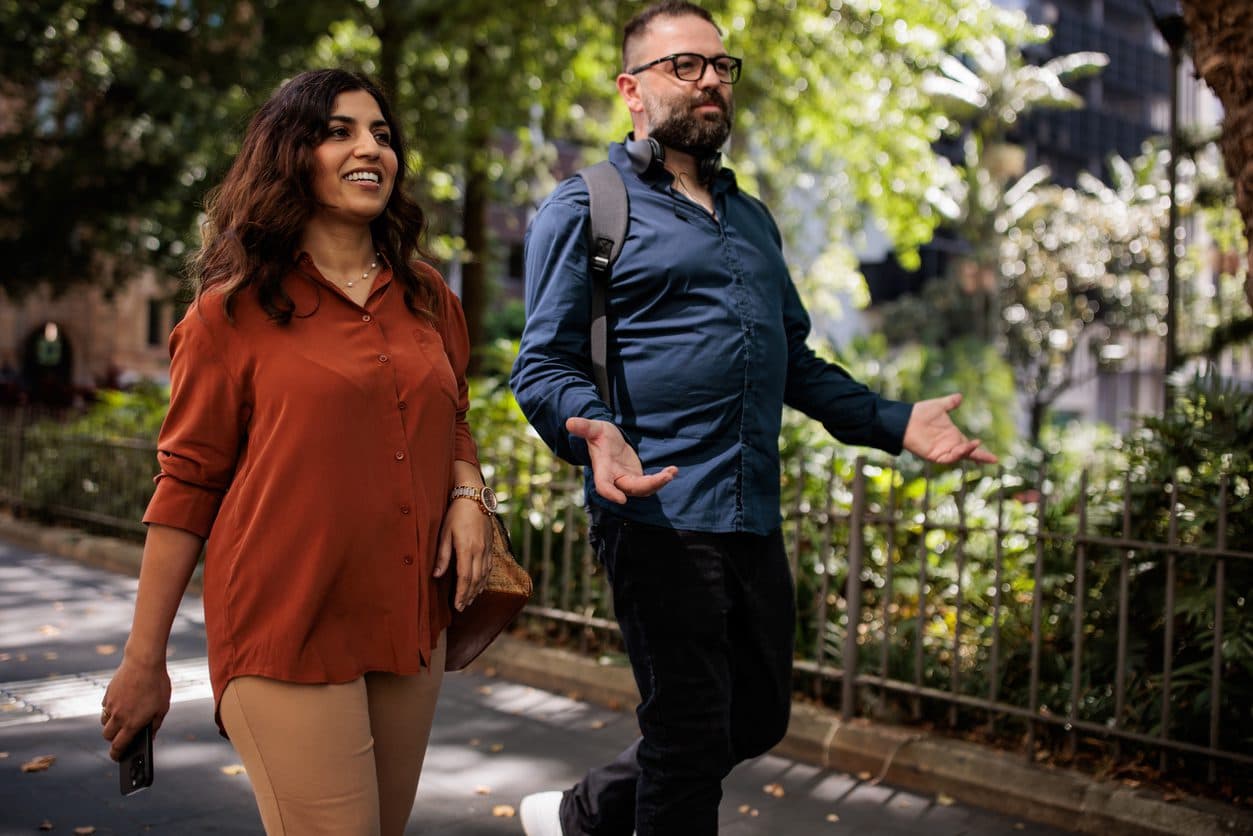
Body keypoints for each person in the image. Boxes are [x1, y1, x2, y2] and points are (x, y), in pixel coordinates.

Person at [509, 3, 998, 835]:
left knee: (758, 714)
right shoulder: (587, 204)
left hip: (748, 508)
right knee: (690, 730)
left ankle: (583, 815)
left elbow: (794, 364)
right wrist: (589, 427)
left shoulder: (751, 220)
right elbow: (543, 364)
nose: (708, 81)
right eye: (683, 66)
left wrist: (893, 420)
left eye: (718, 67)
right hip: (654, 508)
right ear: (632, 90)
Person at [100, 68, 497, 836]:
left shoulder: (426, 296)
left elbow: (451, 415)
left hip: (408, 622)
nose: (370, 147)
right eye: (339, 130)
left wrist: (469, 494)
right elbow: (187, 483)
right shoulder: (230, 313)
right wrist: (144, 661)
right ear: (291, 155)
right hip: (285, 626)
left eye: (382, 134)